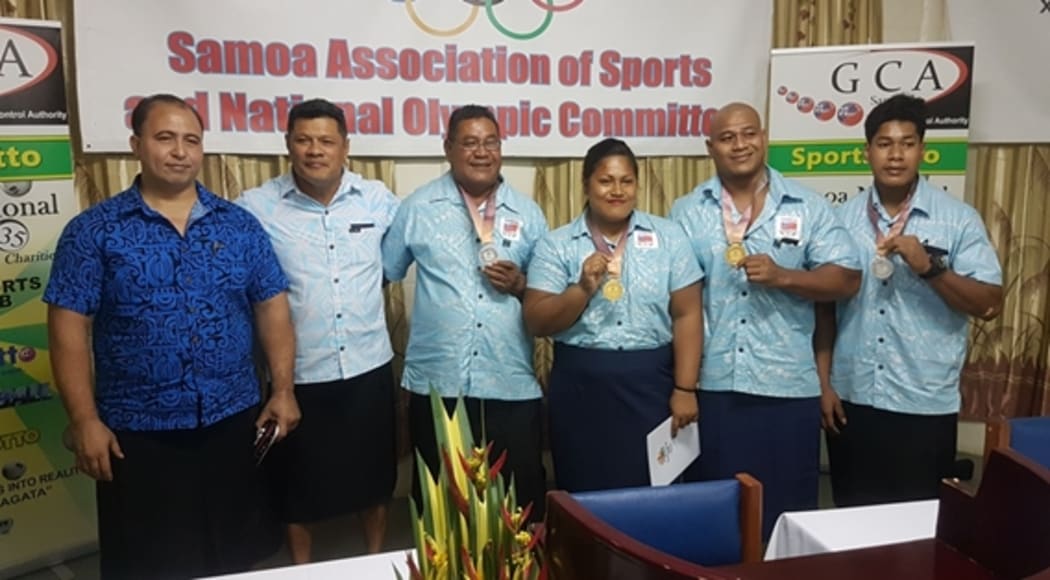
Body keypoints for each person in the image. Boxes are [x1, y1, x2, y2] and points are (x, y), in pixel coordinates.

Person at [44, 94, 299, 579]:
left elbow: (272, 306)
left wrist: (283, 389)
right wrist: (84, 420)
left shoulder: (239, 226)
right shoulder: (93, 232)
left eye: (191, 140)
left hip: (231, 420)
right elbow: (67, 328)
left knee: (235, 555)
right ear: (136, 145)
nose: (180, 151)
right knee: (151, 562)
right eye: (165, 138)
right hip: (138, 433)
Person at [669, 102, 861, 539]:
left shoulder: (807, 207)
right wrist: (683, 386)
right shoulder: (686, 211)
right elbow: (678, 301)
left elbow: (848, 278)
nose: (740, 144)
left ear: (764, 137)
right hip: (713, 388)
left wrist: (785, 276)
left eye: (748, 133)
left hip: (787, 389)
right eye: (727, 137)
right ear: (710, 148)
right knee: (716, 519)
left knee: (785, 518)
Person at [816, 94, 1003, 507]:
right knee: (850, 518)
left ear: (923, 150)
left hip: (924, 401)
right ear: (867, 152)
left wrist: (930, 268)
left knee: (918, 527)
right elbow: (824, 311)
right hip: (853, 399)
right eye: (885, 144)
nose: (896, 155)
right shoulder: (840, 221)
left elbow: (990, 303)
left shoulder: (958, 219)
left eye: (907, 143)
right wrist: (824, 385)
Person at [236, 99, 400, 562]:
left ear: (345, 146)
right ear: (288, 144)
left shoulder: (378, 200)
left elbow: (397, 261)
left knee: (373, 479)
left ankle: (374, 560)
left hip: (367, 365)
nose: (315, 150)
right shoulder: (256, 207)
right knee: (295, 485)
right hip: (298, 374)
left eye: (326, 141)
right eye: (304, 140)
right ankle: (301, 568)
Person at [382, 104, 548, 519]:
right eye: (470, 142)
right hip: (439, 384)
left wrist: (521, 284)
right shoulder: (417, 207)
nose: (481, 152)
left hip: (509, 380)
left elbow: (549, 295)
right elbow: (385, 271)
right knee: (443, 509)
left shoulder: (528, 213)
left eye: (491, 142)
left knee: (518, 508)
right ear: (448, 148)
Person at [523, 138, 703, 492]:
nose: (617, 190)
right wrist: (582, 289)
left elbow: (688, 314)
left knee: (653, 493)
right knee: (584, 494)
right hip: (580, 386)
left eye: (626, 181)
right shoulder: (557, 244)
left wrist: (685, 388)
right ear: (586, 184)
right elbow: (536, 321)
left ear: (637, 185)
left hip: (651, 384)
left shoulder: (669, 237)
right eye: (606, 181)